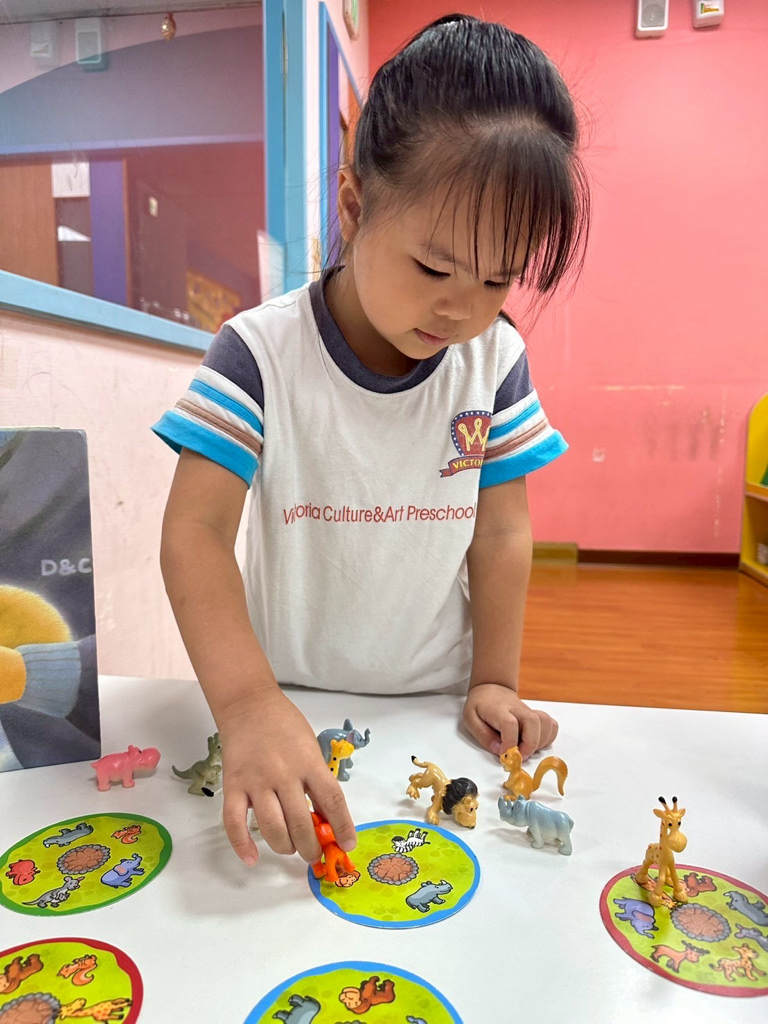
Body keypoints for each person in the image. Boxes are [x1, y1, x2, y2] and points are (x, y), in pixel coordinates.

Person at [153, 15, 589, 869]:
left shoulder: (494, 361)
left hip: (435, 709)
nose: (461, 308)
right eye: (434, 268)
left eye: (498, 278)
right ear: (354, 208)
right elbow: (193, 532)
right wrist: (246, 704)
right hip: (286, 706)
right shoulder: (259, 353)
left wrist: (494, 679)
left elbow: (502, 531)